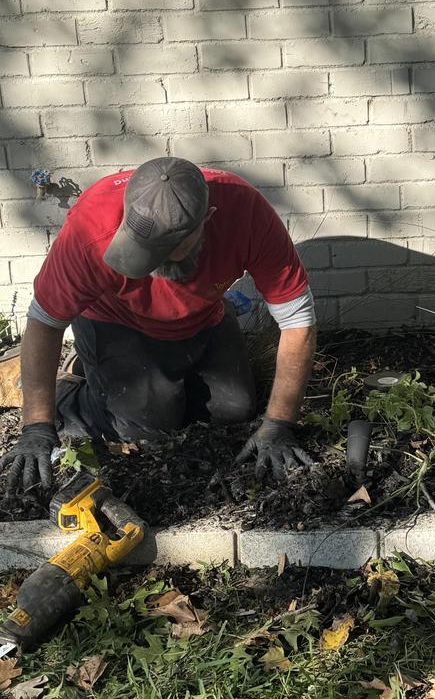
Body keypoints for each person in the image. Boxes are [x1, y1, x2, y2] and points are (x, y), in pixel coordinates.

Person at [0, 157, 317, 497]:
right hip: (114, 321)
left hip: (202, 316)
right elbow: (46, 320)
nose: (153, 265)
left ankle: (149, 381)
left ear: (205, 221)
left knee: (235, 411)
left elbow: (298, 319)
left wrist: (280, 423)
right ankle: (72, 387)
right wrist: (36, 426)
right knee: (148, 431)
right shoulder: (91, 228)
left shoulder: (246, 213)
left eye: (165, 256)